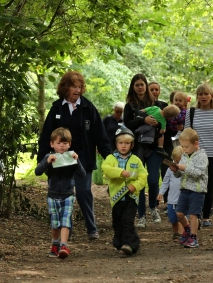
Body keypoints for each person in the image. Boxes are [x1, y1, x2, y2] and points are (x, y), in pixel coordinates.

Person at [37, 71, 112, 240]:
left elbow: (100, 134)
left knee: (84, 192)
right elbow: (46, 136)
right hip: (59, 161)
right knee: (63, 194)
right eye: (73, 87)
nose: (77, 90)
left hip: (82, 158)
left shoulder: (88, 107)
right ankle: (66, 231)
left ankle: (91, 229)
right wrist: (42, 159)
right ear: (65, 88)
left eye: (80, 87)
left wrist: (110, 156)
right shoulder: (57, 108)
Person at [35, 127, 86, 259]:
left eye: (65, 143)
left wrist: (77, 161)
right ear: (52, 144)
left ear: (69, 144)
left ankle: (64, 245)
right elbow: (38, 172)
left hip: (68, 194)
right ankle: (55, 244)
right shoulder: (49, 157)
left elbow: (82, 174)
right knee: (54, 222)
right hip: (53, 195)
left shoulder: (71, 157)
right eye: (59, 143)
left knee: (65, 220)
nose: (62, 146)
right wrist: (47, 162)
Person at [123, 74, 165, 228]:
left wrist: (159, 126)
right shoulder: (130, 106)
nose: (140, 87)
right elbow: (127, 124)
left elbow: (163, 122)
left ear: (146, 86)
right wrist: (143, 120)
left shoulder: (157, 103)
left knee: (153, 180)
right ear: (133, 87)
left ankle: (153, 207)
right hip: (137, 147)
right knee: (138, 181)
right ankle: (141, 215)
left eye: (142, 84)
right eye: (137, 85)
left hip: (154, 147)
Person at [184, 83, 213, 227]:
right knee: (194, 184)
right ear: (197, 96)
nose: (203, 97)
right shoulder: (191, 113)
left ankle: (206, 217)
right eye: (200, 94)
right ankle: (194, 215)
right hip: (196, 155)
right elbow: (187, 134)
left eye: (206, 94)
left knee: (209, 185)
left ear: (211, 96)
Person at [102, 127, 147, 256]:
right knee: (117, 221)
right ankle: (120, 242)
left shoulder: (136, 160)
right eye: (121, 143)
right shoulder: (111, 158)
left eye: (127, 143)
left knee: (127, 220)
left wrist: (136, 186)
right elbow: (106, 169)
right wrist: (120, 172)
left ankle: (131, 244)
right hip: (116, 197)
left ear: (132, 145)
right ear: (116, 144)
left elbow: (143, 176)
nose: (123, 146)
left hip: (131, 196)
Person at [169, 128, 208, 248]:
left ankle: (194, 237)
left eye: (186, 147)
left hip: (197, 190)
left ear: (196, 143)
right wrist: (176, 171)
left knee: (193, 214)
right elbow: (181, 174)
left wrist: (184, 167)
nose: (184, 149)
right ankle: (187, 229)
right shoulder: (185, 155)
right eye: (182, 147)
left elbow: (198, 173)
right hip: (185, 188)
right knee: (179, 213)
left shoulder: (202, 156)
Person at [157, 145, 185, 241]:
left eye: (179, 160)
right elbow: (165, 182)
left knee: (181, 217)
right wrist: (161, 193)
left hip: (182, 198)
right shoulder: (170, 169)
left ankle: (182, 234)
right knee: (173, 219)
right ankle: (176, 233)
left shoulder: (185, 168)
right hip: (172, 199)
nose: (176, 162)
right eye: (175, 160)